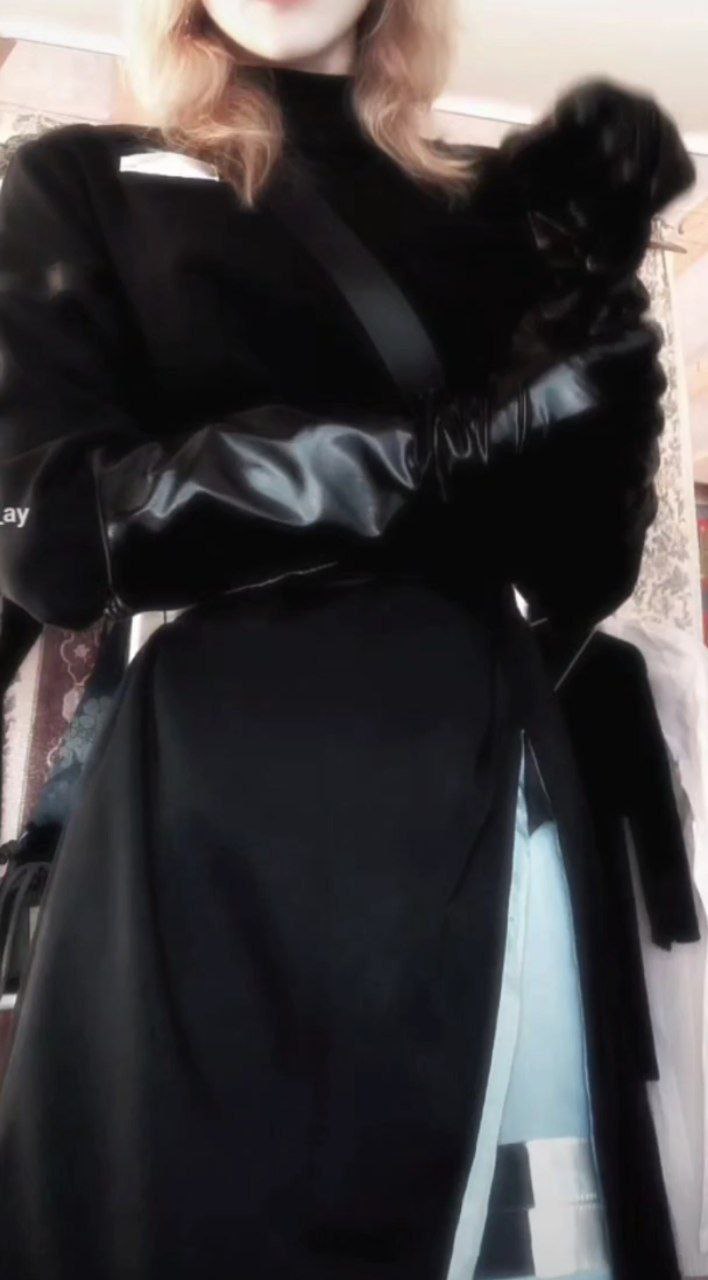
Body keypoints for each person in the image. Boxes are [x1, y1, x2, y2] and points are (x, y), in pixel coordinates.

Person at [0, 1, 699, 1277]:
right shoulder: (79, 182)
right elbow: (55, 533)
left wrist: (605, 368)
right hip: (215, 804)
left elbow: (579, 571)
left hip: (479, 768)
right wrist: (435, 452)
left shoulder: (498, 211)